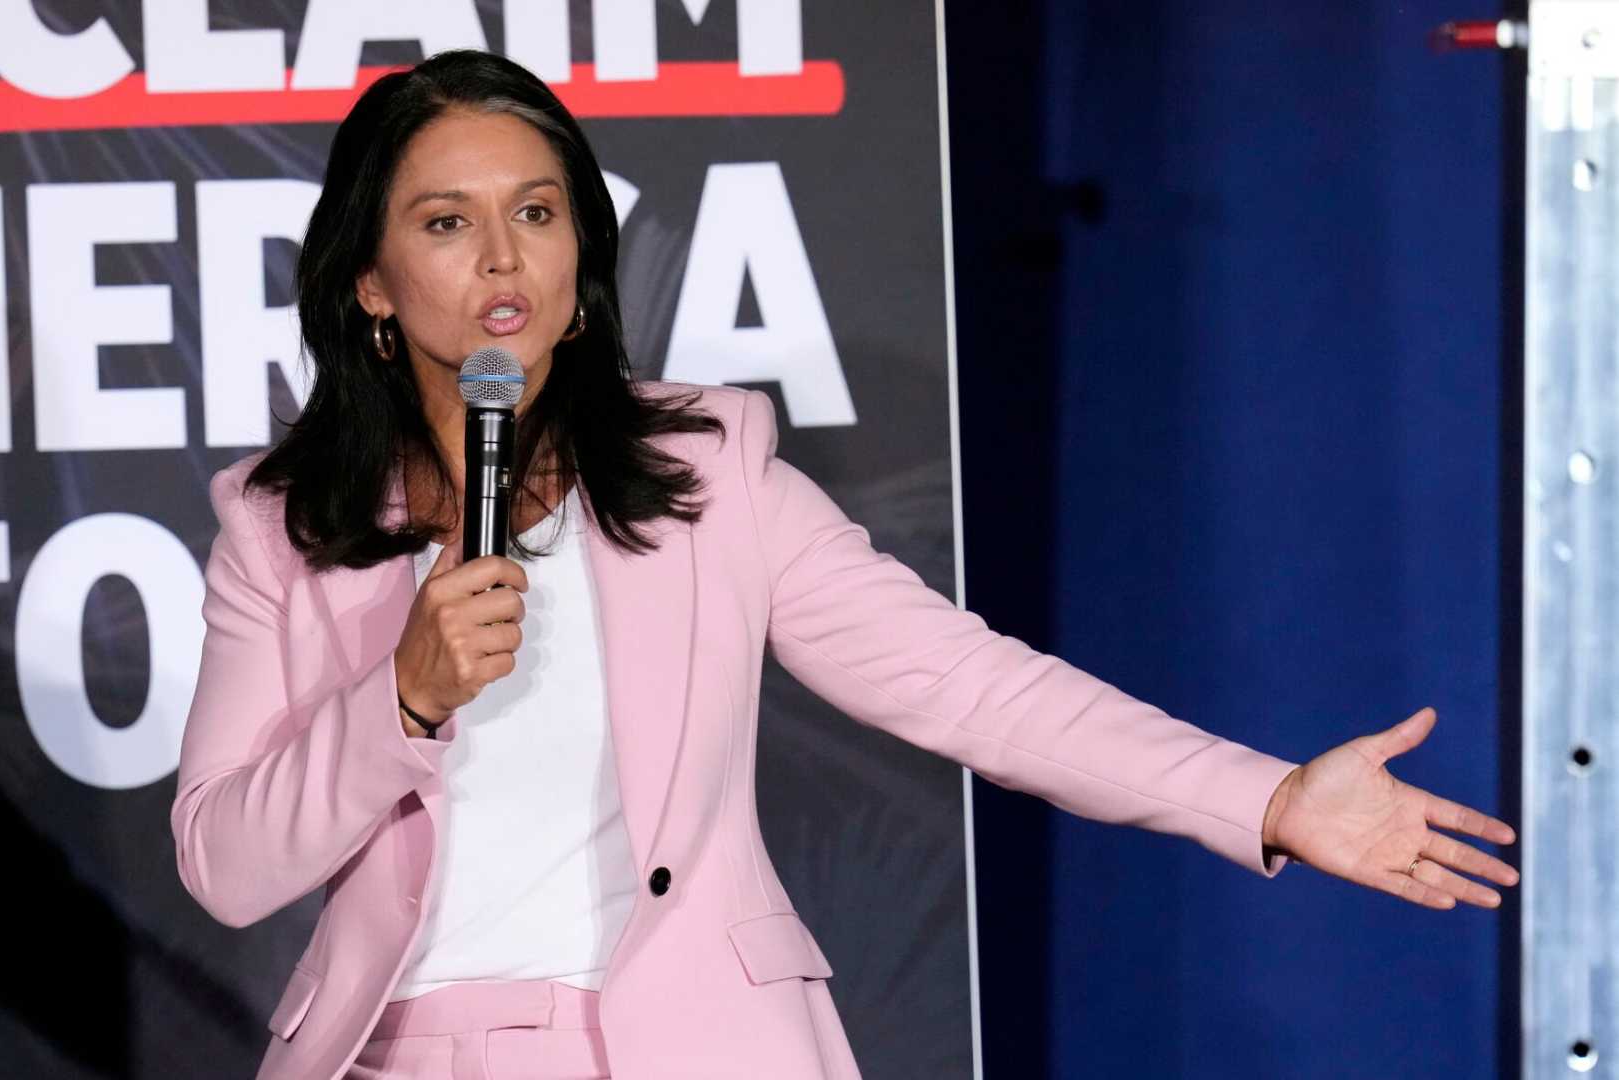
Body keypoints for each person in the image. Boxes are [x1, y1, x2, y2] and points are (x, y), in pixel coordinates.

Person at [170, 49, 1519, 1080]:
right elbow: (224, 868)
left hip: (699, 1045)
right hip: (415, 1053)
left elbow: (966, 687)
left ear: (585, 257)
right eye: (447, 222)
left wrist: (1271, 799)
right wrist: (397, 699)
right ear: (370, 279)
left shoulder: (709, 475)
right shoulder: (282, 532)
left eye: (537, 210)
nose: (502, 256)